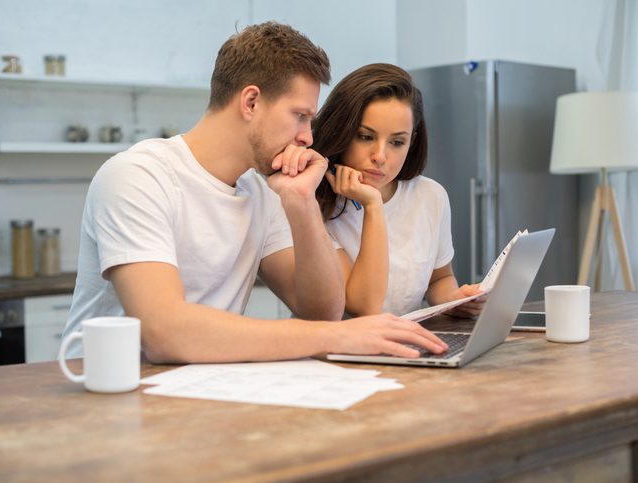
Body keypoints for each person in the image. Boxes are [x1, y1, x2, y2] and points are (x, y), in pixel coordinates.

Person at [64, 23, 449, 363]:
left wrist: (301, 204)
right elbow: (165, 333)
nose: (308, 138)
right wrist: (340, 337)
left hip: (201, 389)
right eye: (300, 116)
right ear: (250, 102)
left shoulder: (261, 191)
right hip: (111, 393)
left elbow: (321, 312)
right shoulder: (138, 176)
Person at [313, 63, 484, 318]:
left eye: (396, 142)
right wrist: (373, 206)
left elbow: (439, 279)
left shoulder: (430, 196)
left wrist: (454, 300)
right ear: (342, 130)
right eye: (365, 136)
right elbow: (363, 307)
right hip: (337, 352)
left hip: (405, 345)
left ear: (411, 142)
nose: (380, 156)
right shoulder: (313, 203)